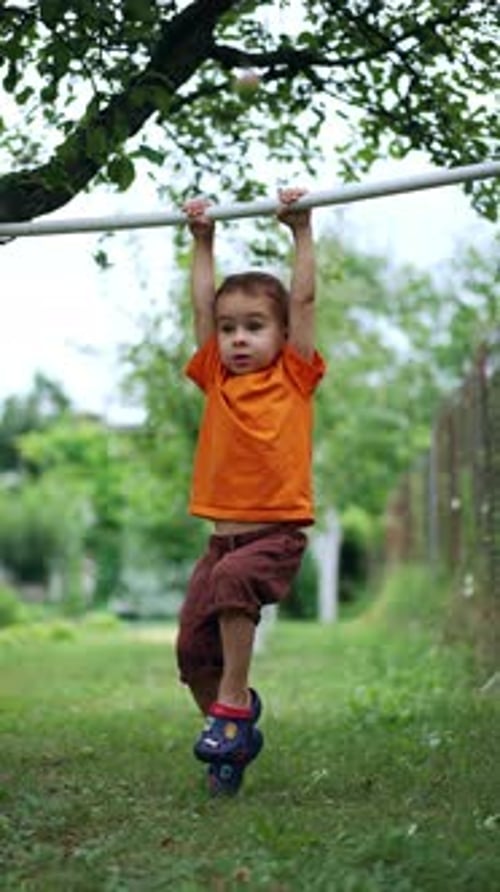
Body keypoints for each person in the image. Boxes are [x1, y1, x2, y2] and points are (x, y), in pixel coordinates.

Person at [176, 188, 326, 795]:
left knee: (236, 582)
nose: (238, 339)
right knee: (191, 650)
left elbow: (308, 296)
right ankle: (228, 742)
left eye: (254, 327)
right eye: (230, 328)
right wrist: (203, 241)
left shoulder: (294, 373)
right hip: (220, 542)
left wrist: (302, 231)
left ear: (284, 332)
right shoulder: (214, 374)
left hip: (274, 535)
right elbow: (200, 309)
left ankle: (235, 703)